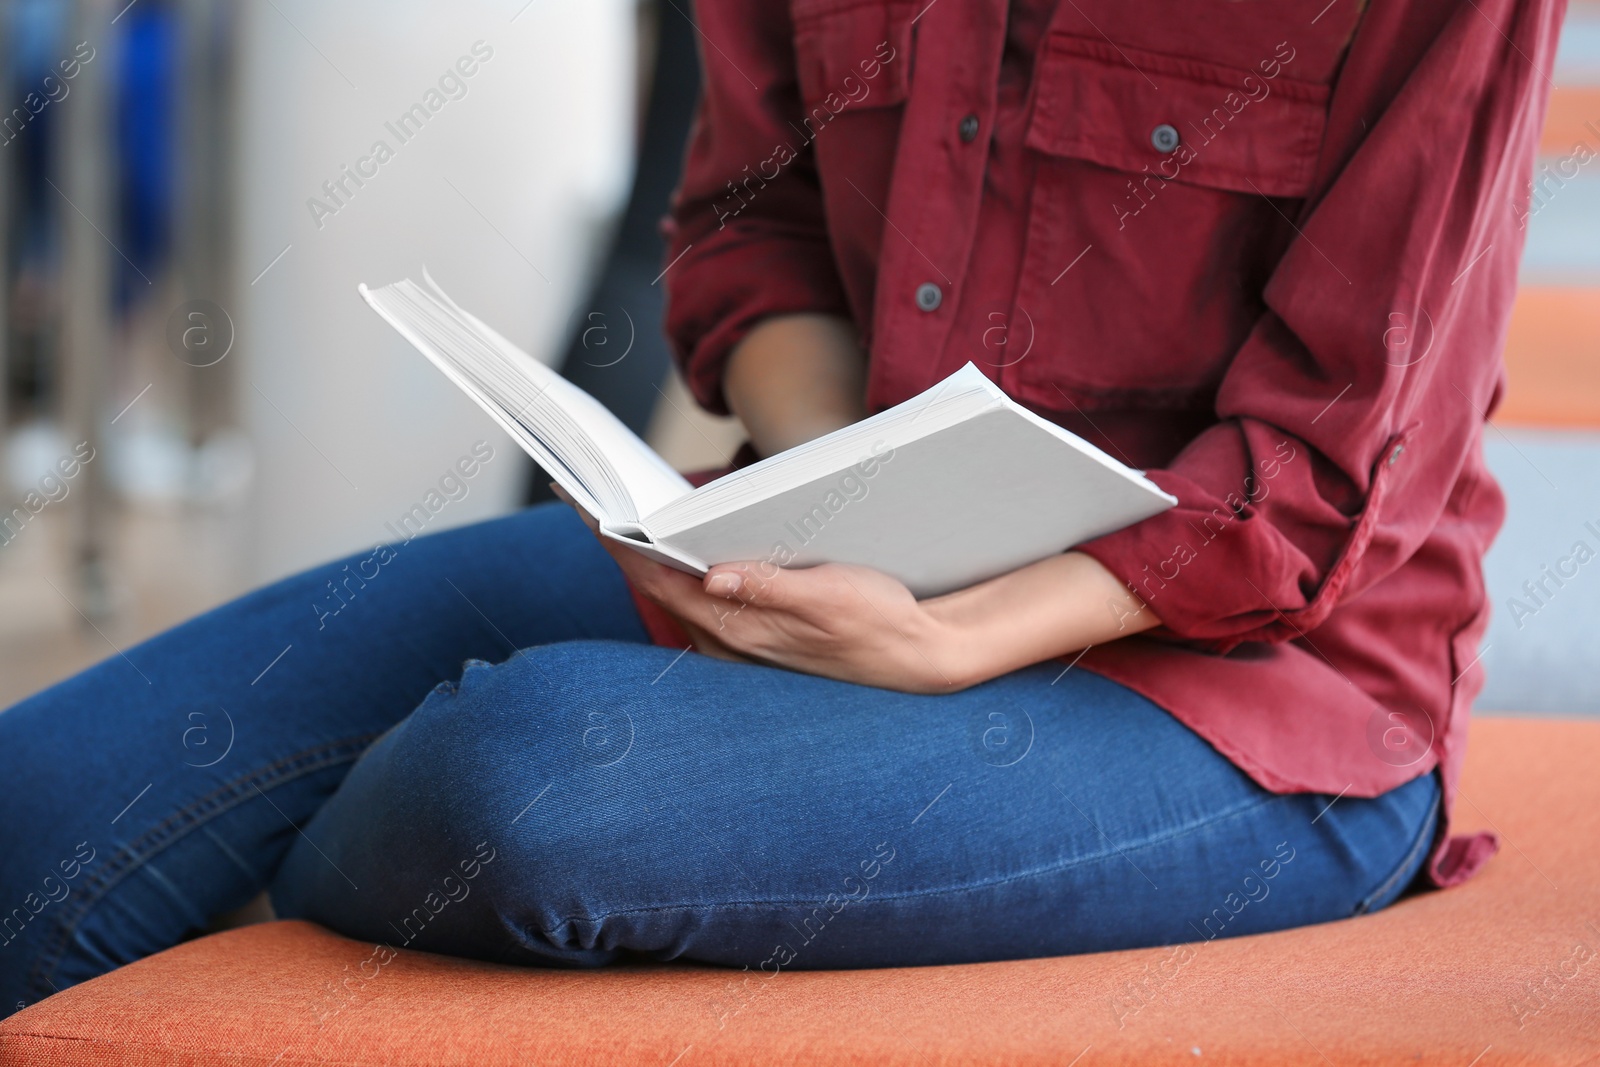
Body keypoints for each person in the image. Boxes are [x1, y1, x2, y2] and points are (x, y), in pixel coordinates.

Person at [0, 0, 1561, 1015]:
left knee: (514, 780)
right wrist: (838, 508)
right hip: (858, 564)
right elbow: (753, 231)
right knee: (45, 793)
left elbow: (1343, 456)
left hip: (1252, 706)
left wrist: (954, 639)